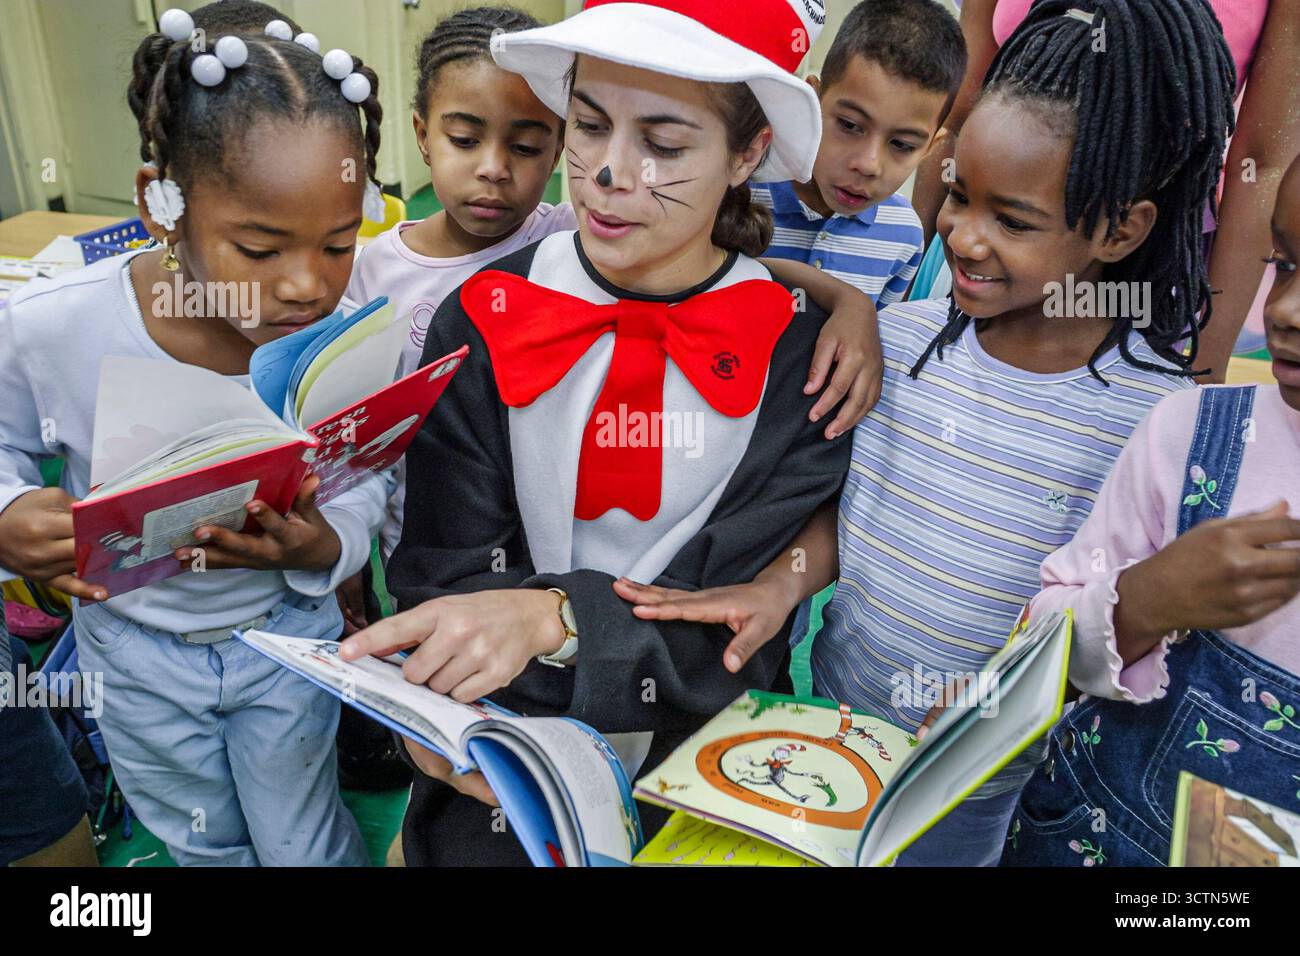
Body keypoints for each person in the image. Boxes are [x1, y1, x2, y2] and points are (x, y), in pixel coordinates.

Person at [616, 0, 1236, 866]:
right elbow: (856, 505)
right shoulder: (900, 344)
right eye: (958, 196)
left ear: (1120, 228)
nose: (963, 236)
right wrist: (785, 586)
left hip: (992, 789)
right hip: (832, 736)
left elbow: (1116, 617)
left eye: (1011, 221)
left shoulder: (1157, 416)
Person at [340, 0, 855, 866]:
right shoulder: (482, 312)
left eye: (664, 142)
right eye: (586, 126)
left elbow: (730, 620)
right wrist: (440, 706)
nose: (609, 172)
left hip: (701, 768)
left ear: (750, 152)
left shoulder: (800, 352)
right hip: (498, 754)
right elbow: (441, 566)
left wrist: (556, 619)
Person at [0, 12, 389, 865]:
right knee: (201, 839)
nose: (305, 285)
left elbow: (364, 474)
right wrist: (10, 512)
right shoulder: (52, 326)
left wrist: (331, 540)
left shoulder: (347, 331)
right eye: (258, 248)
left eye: (337, 243)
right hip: (138, 657)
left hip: (288, 632)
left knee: (304, 836)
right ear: (161, 204)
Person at [1004, 151, 1300, 867]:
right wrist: (1146, 601)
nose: (1283, 310)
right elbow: (1036, 643)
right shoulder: (1191, 433)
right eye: (1284, 265)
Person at [911, 0, 1300, 383]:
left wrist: (1203, 372)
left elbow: (1260, 166)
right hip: (966, 268)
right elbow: (958, 114)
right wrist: (904, 274)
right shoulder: (955, 257)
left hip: (1150, 279)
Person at [751, 0, 966, 306]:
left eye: (902, 145)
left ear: (931, 148)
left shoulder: (903, 236)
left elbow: (871, 336)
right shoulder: (740, 190)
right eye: (850, 125)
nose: (868, 164)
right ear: (812, 101)